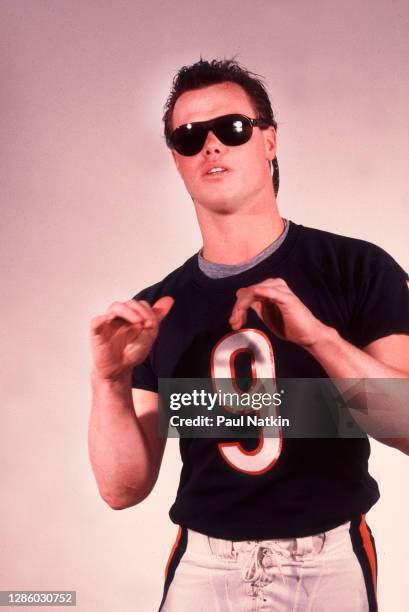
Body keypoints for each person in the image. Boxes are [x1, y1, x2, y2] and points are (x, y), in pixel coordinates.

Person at [88, 59, 409, 611]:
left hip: (326, 562)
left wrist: (320, 340)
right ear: (176, 161)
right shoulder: (157, 310)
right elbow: (122, 489)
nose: (210, 146)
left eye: (231, 129)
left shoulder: (357, 268)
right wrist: (110, 380)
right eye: (189, 138)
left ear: (269, 140)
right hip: (203, 565)